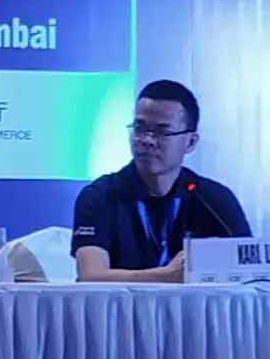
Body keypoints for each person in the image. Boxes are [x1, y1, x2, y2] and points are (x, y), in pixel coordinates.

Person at [71, 79, 250, 282]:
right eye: (140, 128)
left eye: (162, 131)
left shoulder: (214, 199)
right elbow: (91, 276)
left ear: (190, 142)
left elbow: (251, 272)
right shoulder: (100, 195)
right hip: (121, 304)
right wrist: (167, 276)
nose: (147, 140)